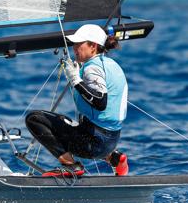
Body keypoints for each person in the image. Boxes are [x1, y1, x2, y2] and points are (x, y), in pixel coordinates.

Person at [25, 24, 129, 177]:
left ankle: (71, 166)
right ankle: (114, 158)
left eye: (79, 44)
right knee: (63, 120)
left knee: (34, 119)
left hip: (93, 144)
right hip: (111, 140)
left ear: (93, 46)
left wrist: (75, 80)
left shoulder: (91, 69)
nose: (74, 48)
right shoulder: (111, 64)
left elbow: (100, 102)